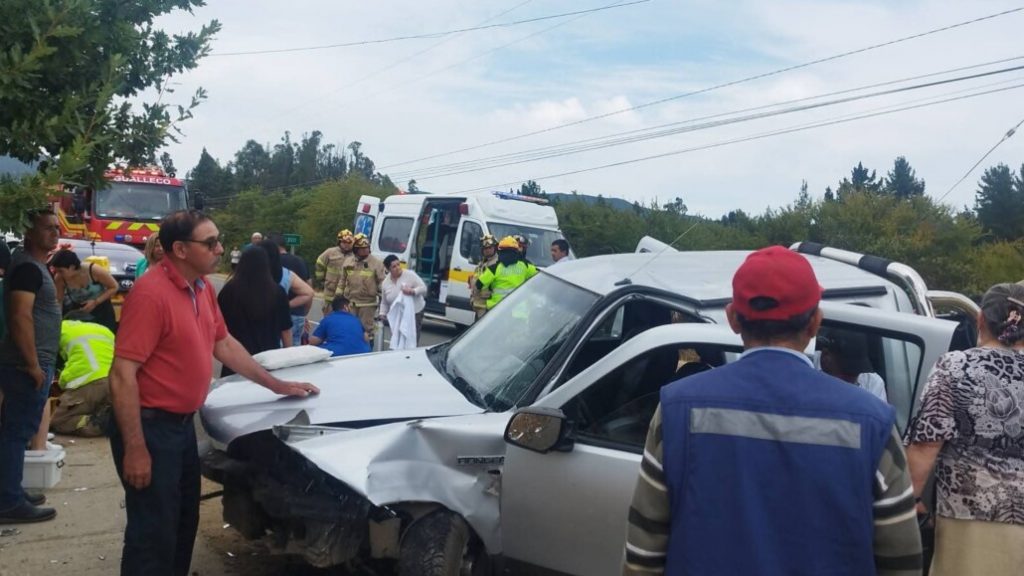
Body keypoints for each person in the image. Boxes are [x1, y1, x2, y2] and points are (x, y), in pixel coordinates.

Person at [624, 246, 921, 576]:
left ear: (733, 318)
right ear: (815, 323)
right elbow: (902, 561)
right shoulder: (873, 423)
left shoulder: (676, 410)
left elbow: (642, 555)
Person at [108, 209, 319, 575]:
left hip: (179, 428)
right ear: (180, 249)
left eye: (219, 241)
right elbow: (122, 375)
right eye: (210, 243)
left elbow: (224, 344)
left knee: (183, 520)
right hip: (149, 428)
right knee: (152, 532)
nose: (220, 249)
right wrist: (136, 448)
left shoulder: (202, 288)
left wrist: (278, 385)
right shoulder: (151, 294)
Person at [906, 283, 1024, 576]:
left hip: (969, 519)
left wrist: (909, 501)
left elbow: (926, 443)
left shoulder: (957, 367)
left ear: (980, 319)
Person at [0, 207, 60, 524]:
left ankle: (10, 490)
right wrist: (33, 364)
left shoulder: (33, 266)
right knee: (16, 431)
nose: (55, 232)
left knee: (15, 431)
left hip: (31, 362)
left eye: (57, 228)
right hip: (26, 365)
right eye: (48, 227)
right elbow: (20, 317)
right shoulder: (27, 269)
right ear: (29, 231)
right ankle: (9, 502)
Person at [217, 248, 292, 377]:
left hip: (235, 360)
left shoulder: (228, 291)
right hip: (269, 360)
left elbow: (218, 327)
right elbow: (285, 330)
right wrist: (288, 357)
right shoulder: (277, 292)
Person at [50, 319, 114, 437]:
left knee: (56, 421)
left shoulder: (60, 327)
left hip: (90, 381)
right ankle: (111, 418)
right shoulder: (105, 330)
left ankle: (94, 424)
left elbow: (50, 359)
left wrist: (61, 382)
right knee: (97, 406)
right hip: (115, 382)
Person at [50, 248, 119, 333]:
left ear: (72, 267)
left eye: (61, 271)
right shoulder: (60, 278)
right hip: (79, 314)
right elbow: (58, 301)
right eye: (56, 271)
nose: (58, 274)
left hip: (102, 311)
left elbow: (114, 287)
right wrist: (58, 321)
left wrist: (95, 302)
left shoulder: (93, 270)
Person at [259, 240, 313, 344]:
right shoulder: (290, 269)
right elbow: (309, 292)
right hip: (293, 316)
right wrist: (288, 306)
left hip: (264, 321)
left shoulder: (253, 272)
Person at [818, 328, 888, 402]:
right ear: (826, 357)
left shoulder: (872, 383)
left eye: (856, 372)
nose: (851, 379)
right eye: (847, 371)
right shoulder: (809, 366)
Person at [339, 233, 386, 336]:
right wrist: (339, 294)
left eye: (367, 248)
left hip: (367, 304)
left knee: (366, 330)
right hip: (351, 302)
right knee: (350, 328)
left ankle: (368, 348)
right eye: (362, 248)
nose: (365, 250)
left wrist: (384, 297)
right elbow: (342, 279)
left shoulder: (376, 263)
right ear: (356, 250)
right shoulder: (348, 262)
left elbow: (382, 281)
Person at [476, 236, 537, 310]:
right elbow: (538, 277)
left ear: (500, 251)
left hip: (497, 310)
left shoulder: (494, 268)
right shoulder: (525, 265)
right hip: (519, 311)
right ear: (516, 251)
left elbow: (479, 284)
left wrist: (490, 287)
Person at [379, 254, 427, 347]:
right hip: (398, 314)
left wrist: (413, 291)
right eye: (394, 266)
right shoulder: (386, 283)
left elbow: (423, 288)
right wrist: (382, 314)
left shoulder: (410, 275)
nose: (397, 268)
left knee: (411, 338)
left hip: (415, 312)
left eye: (398, 264)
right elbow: (384, 302)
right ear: (388, 270)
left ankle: (411, 356)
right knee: (398, 338)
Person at [315, 229, 355, 314]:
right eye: (344, 242)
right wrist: (321, 279)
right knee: (329, 316)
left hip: (346, 294)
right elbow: (319, 263)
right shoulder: (330, 252)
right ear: (339, 242)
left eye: (349, 243)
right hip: (330, 292)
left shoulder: (355, 256)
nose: (347, 245)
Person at [469, 234, 498, 319]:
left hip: (487, 307)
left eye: (490, 248)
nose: (487, 250)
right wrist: (472, 299)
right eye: (485, 248)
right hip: (478, 306)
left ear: (495, 248)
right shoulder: (481, 264)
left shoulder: (496, 264)